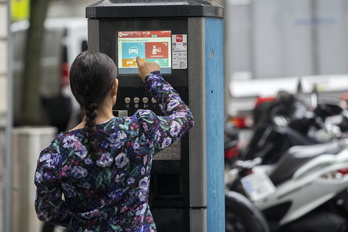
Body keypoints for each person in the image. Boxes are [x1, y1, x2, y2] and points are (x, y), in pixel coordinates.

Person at [34, 51, 194, 232]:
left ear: (74, 91)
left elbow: (46, 210)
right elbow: (184, 117)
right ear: (114, 88)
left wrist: (84, 221)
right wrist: (152, 78)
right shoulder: (140, 130)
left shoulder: (57, 151)